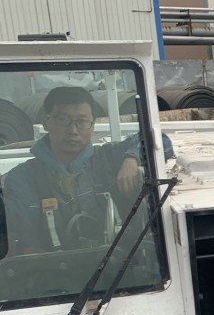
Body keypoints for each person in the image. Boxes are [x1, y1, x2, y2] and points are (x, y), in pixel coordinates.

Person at [2, 85, 145, 254]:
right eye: (63, 120)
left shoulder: (108, 158)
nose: (73, 130)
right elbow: (18, 237)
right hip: (51, 268)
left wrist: (132, 159)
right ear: (45, 122)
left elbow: (156, 140)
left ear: (92, 126)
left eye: (82, 122)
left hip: (119, 266)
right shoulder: (21, 179)